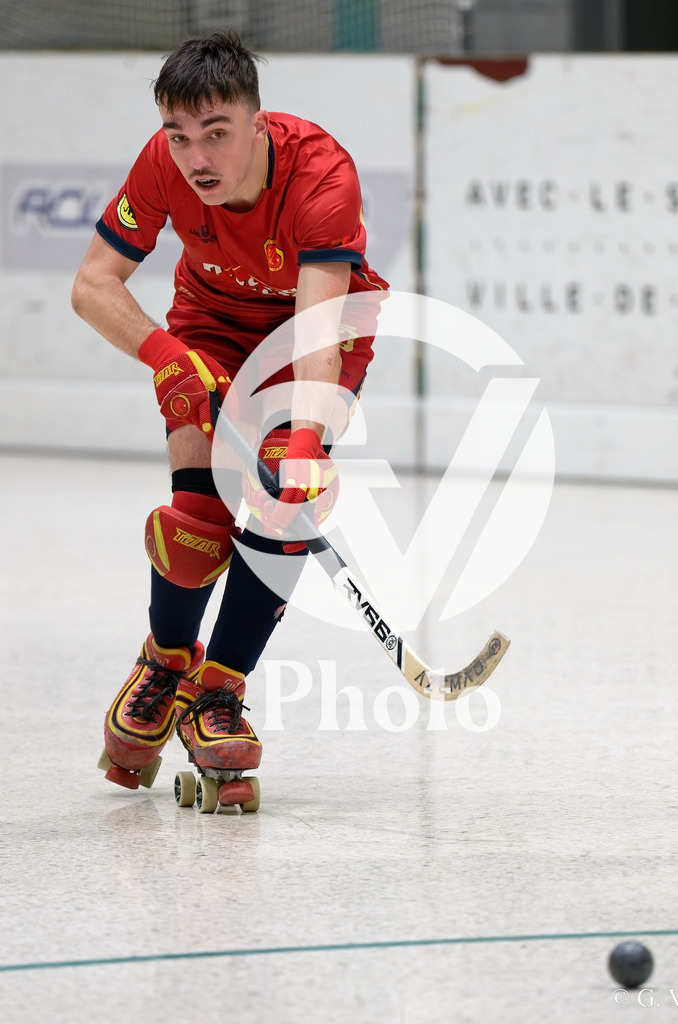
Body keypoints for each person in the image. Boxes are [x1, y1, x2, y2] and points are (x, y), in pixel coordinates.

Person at [71, 31, 387, 804]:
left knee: (285, 500)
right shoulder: (163, 163)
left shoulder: (321, 174)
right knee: (193, 525)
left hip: (314, 336)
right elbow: (92, 284)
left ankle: (219, 688)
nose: (196, 157)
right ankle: (165, 660)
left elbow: (315, 329)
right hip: (209, 326)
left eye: (216, 133)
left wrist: (306, 444)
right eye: (180, 136)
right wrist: (164, 353)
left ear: (258, 122)